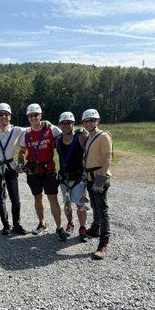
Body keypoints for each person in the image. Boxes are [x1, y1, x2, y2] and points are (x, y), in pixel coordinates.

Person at [18, 103, 68, 242]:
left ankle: (59, 228)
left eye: (36, 115)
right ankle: (42, 224)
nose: (34, 118)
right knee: (37, 198)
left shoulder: (51, 129)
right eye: (31, 115)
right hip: (33, 172)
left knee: (53, 199)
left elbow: (67, 136)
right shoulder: (25, 134)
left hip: (49, 170)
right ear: (28, 117)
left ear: (40, 116)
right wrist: (21, 162)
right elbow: (22, 151)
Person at [0, 103, 27, 235]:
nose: (3, 117)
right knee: (0, 198)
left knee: (15, 198)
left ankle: (17, 224)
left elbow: (34, 127)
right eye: (1, 114)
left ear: (10, 116)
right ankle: (6, 225)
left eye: (6, 114)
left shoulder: (17, 130)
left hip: (10, 167)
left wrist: (46, 123)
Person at [82, 108, 113, 260]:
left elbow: (108, 158)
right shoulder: (89, 137)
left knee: (103, 210)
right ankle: (96, 229)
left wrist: (100, 180)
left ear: (97, 121)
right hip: (89, 176)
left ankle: (103, 243)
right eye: (86, 121)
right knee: (94, 205)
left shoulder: (104, 136)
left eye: (91, 121)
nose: (88, 123)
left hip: (100, 176)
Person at [56, 111, 89, 242]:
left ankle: (82, 228)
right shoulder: (58, 140)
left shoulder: (80, 137)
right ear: (59, 125)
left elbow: (91, 134)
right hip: (64, 179)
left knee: (81, 206)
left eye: (68, 123)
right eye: (63, 123)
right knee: (67, 204)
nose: (65, 126)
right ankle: (70, 223)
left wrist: (83, 129)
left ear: (73, 124)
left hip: (78, 179)